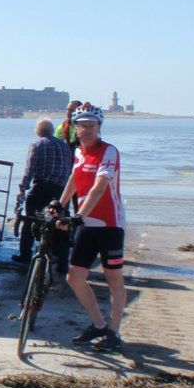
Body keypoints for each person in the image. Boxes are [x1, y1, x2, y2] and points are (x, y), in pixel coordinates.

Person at [56, 103, 127, 353]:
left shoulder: (109, 152)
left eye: (90, 126)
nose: (85, 130)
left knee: (113, 280)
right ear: (74, 128)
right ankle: (98, 324)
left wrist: (77, 215)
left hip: (110, 225)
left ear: (99, 128)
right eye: (81, 125)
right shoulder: (77, 152)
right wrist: (59, 203)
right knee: (74, 277)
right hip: (86, 222)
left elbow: (99, 187)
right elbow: (75, 178)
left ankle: (114, 331)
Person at [12, 118, 74, 265]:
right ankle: (62, 261)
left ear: (38, 131)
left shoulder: (37, 145)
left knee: (29, 221)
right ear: (52, 131)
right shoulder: (65, 147)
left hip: (41, 188)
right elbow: (70, 170)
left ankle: (25, 255)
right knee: (60, 223)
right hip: (61, 190)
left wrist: (22, 189)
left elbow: (29, 170)